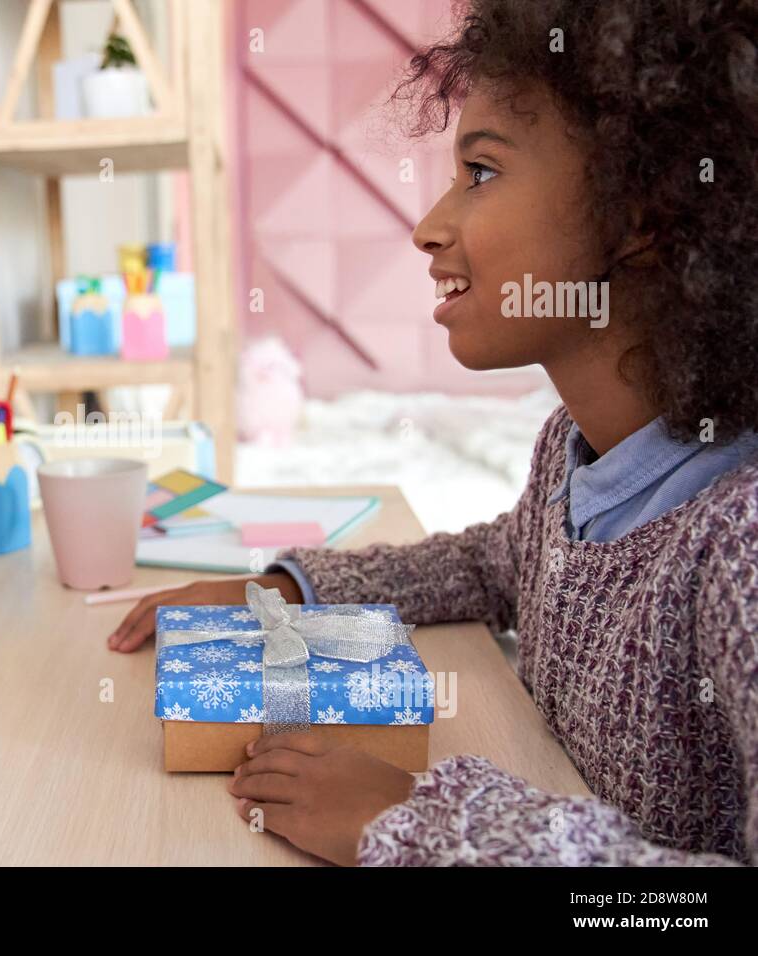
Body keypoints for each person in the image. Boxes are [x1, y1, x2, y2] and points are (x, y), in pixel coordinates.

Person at [111, 0, 758, 865]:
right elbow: (500, 562)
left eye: (481, 173)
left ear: (639, 212)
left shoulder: (739, 543)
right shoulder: (574, 451)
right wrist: (284, 592)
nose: (429, 227)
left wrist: (421, 825)